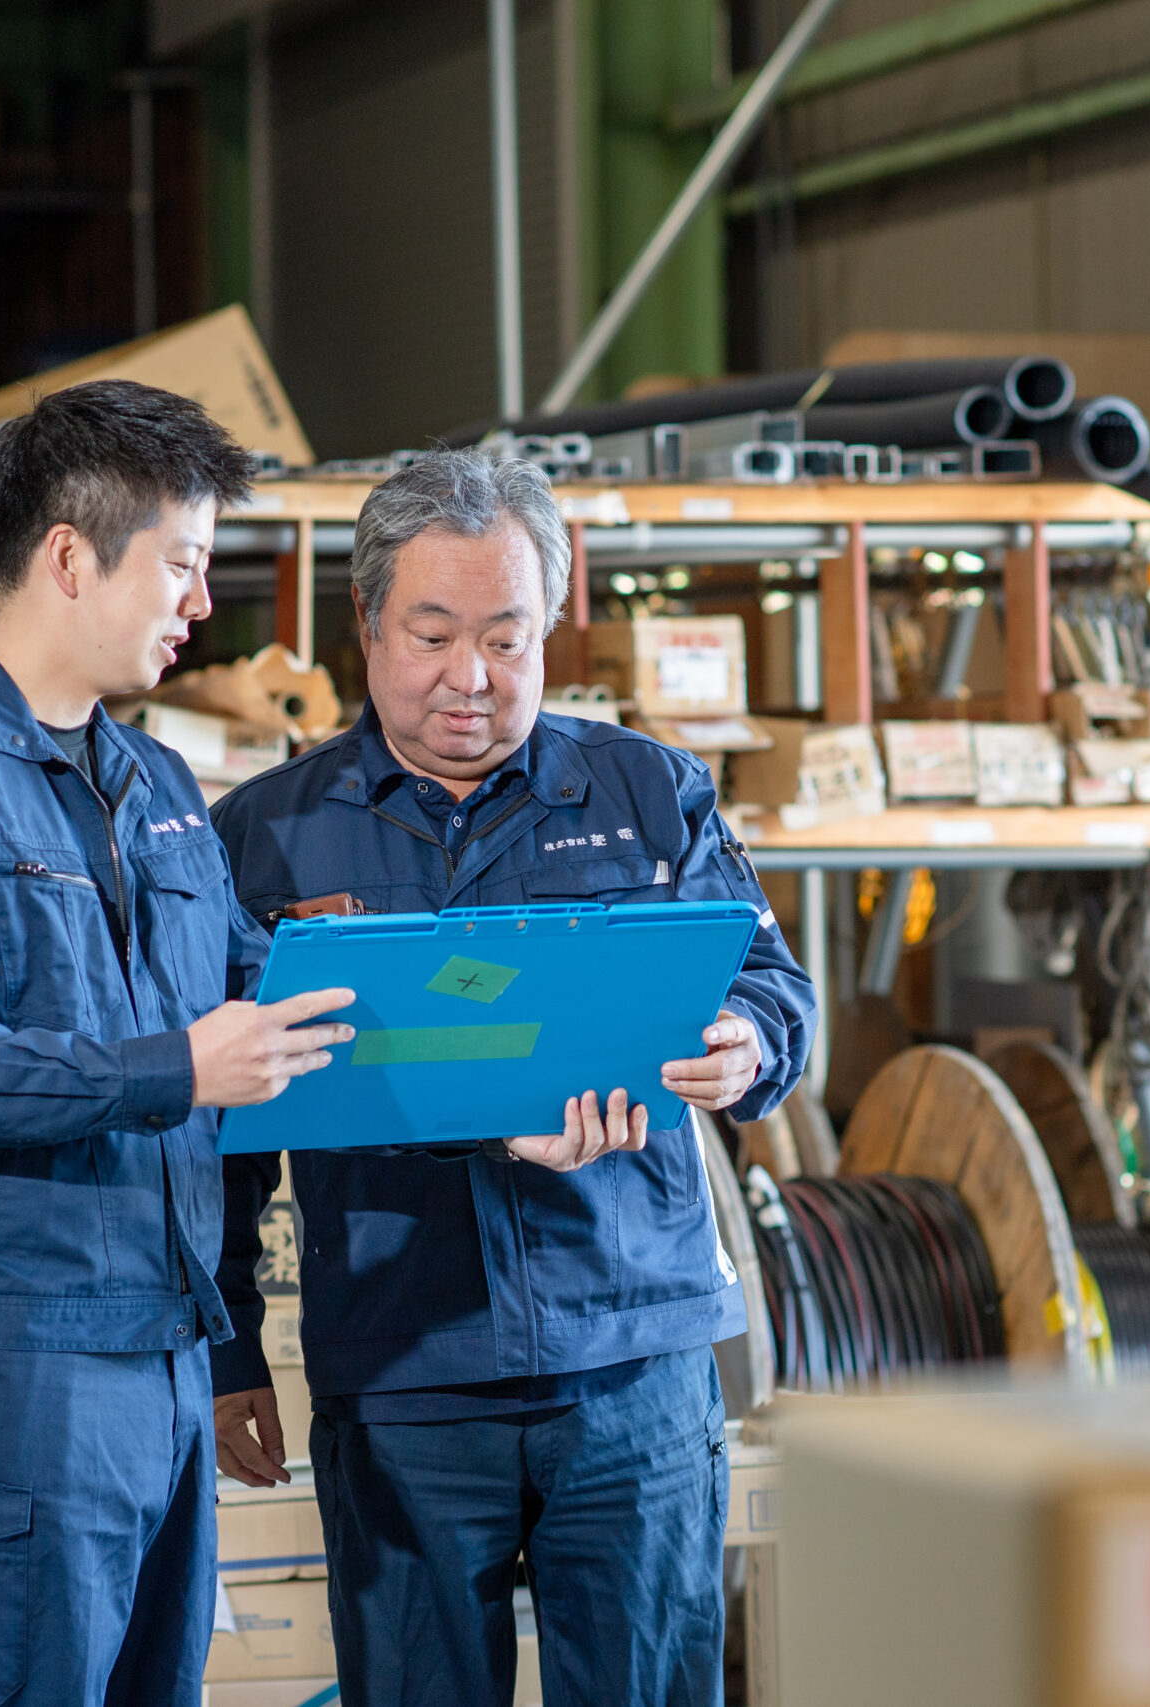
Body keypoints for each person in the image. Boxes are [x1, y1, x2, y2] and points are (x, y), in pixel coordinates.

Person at [208, 448, 816, 1707]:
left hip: (631, 1365)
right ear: (366, 626)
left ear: (550, 627)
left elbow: (772, 991)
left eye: (507, 637)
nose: (470, 679)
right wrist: (226, 1350)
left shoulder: (648, 794)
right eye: (431, 635)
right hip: (403, 1376)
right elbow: (221, 1125)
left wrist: (742, 1048)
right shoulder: (267, 834)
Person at [0, 379, 355, 1707]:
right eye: (183, 563)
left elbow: (255, 1001)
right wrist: (177, 1067)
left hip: (158, 1351)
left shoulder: (154, 786)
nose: (202, 604)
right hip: (7, 1363)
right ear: (67, 556)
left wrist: (494, 1035)